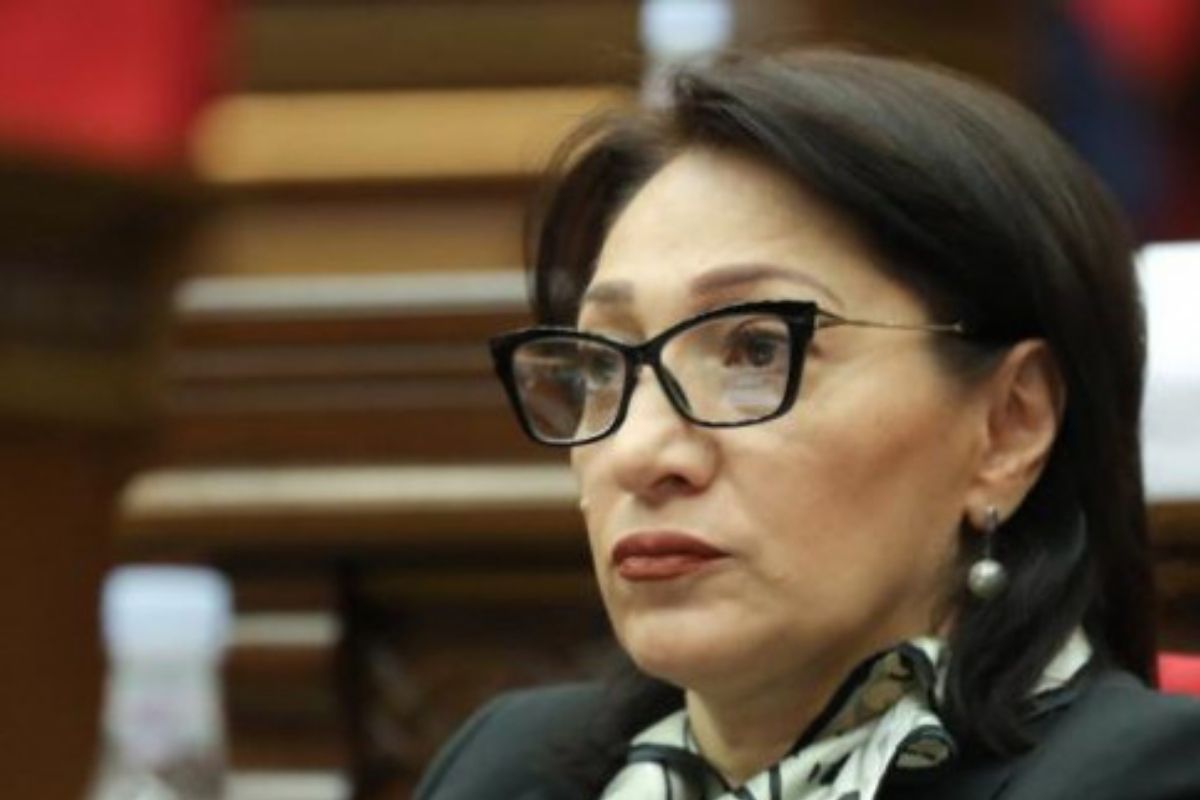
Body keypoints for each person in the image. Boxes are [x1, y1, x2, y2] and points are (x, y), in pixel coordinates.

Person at [415, 48, 1200, 800]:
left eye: (757, 351)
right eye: (603, 366)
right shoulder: (508, 765)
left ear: (1008, 428)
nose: (637, 452)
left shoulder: (1148, 779)